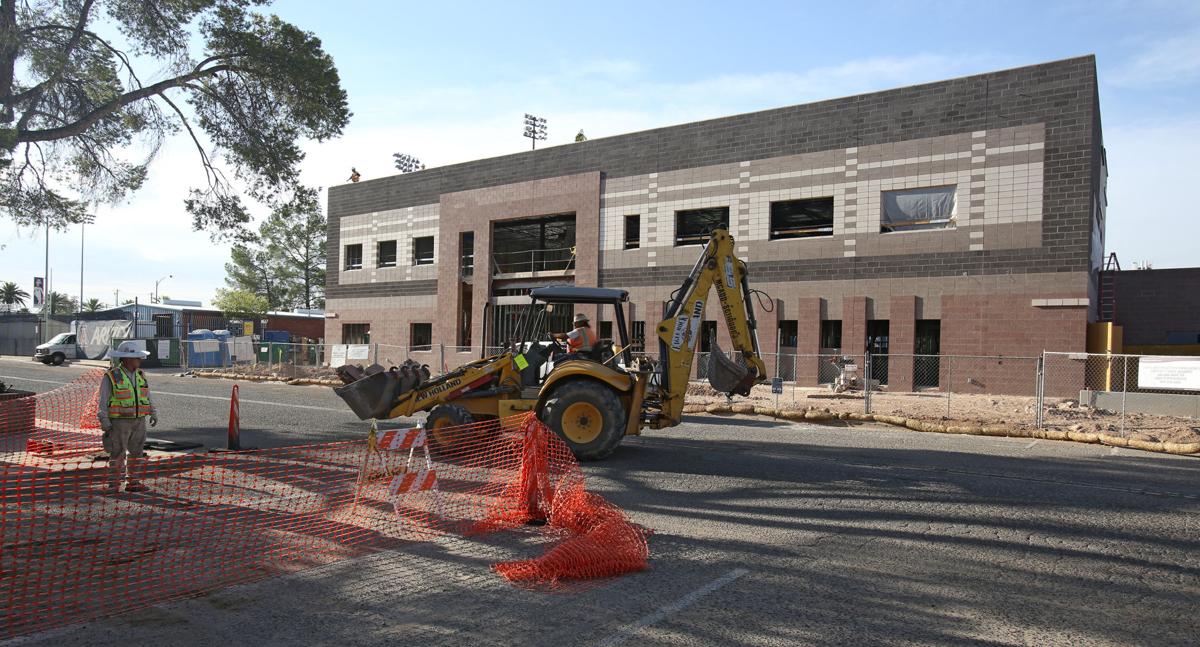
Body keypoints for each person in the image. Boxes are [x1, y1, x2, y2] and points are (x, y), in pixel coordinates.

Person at [98, 341, 158, 492]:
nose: (140, 360)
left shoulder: (140, 375)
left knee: (137, 452)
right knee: (117, 452)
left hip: (139, 420)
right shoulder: (111, 376)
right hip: (119, 422)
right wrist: (104, 419)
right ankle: (114, 484)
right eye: (137, 357)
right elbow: (103, 399)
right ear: (127, 359)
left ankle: (133, 482)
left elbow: (147, 394)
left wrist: (153, 411)